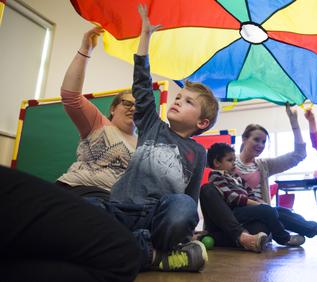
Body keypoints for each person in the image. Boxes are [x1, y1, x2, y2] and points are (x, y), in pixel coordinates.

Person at [92, 4, 219, 273]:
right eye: (178, 97)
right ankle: (152, 254)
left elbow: (190, 196)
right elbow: (141, 83)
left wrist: (185, 231)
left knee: (184, 206)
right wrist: (145, 38)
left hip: (156, 217)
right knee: (85, 208)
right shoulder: (152, 124)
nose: (177, 101)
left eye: (187, 102)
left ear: (202, 122)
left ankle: (130, 248)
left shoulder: (197, 152)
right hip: (119, 209)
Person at [201, 104, 317, 250]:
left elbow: (298, 155)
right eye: (256, 140)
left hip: (259, 215)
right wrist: (258, 205)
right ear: (244, 139)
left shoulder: (263, 165)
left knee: (279, 213)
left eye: (264, 141)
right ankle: (289, 236)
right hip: (235, 215)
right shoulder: (228, 164)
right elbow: (226, 195)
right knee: (269, 213)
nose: (260, 144)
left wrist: (294, 122)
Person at [0, 165, 141, 282]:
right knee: (120, 254)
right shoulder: (103, 130)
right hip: (79, 191)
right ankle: (147, 251)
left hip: (107, 198)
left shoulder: (138, 145)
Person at [57, 27, 137, 199]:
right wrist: (86, 50)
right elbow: (70, 96)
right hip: (79, 191)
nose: (133, 108)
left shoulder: (144, 144)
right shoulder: (98, 124)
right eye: (127, 103)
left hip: (119, 203)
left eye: (138, 106)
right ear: (113, 108)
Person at [207, 142, 317, 247]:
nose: (234, 163)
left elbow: (249, 193)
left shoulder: (236, 177)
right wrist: (257, 205)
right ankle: (283, 238)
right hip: (234, 212)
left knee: (280, 211)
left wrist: (259, 202)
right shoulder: (216, 176)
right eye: (230, 160)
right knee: (267, 211)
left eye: (234, 160)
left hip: (245, 210)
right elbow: (232, 197)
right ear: (217, 162)